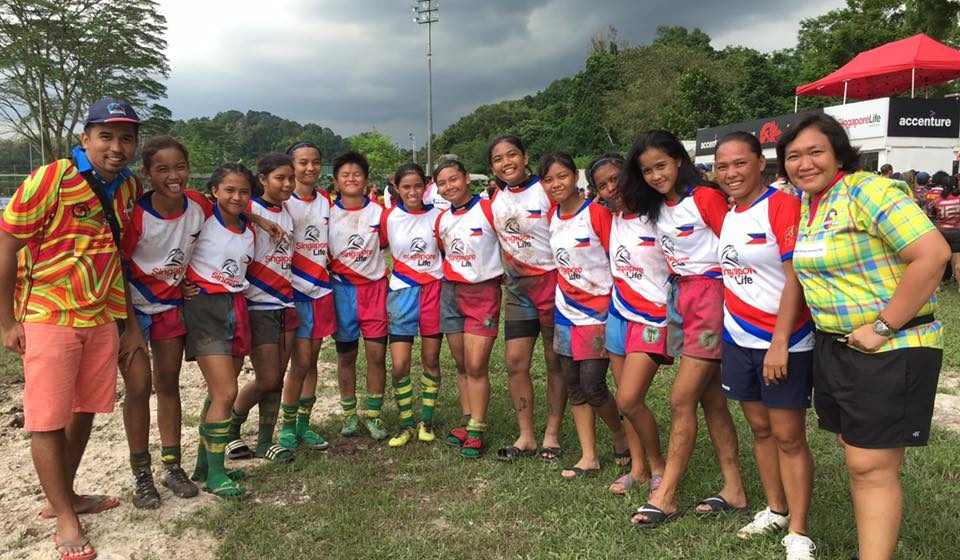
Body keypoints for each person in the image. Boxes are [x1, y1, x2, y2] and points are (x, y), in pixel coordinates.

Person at [777, 113, 949, 560]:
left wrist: (882, 325)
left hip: (891, 345)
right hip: (836, 347)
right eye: (793, 156)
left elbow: (932, 254)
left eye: (816, 151)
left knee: (869, 464)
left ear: (839, 153)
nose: (805, 163)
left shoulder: (868, 191)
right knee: (857, 453)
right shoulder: (807, 204)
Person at [0, 97, 144, 560]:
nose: (116, 146)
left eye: (126, 138)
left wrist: (125, 324)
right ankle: (65, 516)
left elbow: (115, 256)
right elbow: (5, 245)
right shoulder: (52, 178)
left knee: (84, 409)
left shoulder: (127, 188)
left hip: (100, 317)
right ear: (85, 139)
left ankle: (65, 494)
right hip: (49, 315)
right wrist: (6, 321)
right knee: (46, 417)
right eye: (106, 136)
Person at [621, 130, 747, 528]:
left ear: (678, 160)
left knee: (680, 399)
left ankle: (667, 494)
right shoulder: (658, 206)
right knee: (711, 400)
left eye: (661, 165)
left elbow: (737, 244)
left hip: (712, 298)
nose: (656, 175)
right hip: (682, 301)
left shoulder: (705, 198)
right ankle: (734, 489)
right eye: (647, 170)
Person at [715, 132, 817, 559]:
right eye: (723, 166)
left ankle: (798, 531)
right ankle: (775, 508)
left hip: (785, 341)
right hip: (737, 339)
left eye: (740, 163)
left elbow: (795, 276)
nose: (731, 173)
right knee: (759, 429)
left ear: (761, 163)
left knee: (788, 435)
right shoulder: (728, 213)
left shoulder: (782, 205)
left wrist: (779, 342)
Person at [121, 135, 205, 508]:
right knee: (138, 388)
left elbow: (230, 210)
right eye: (163, 169)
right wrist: (131, 325)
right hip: (133, 309)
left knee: (168, 383)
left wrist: (260, 221)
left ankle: (172, 466)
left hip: (171, 306)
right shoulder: (136, 214)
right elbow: (118, 268)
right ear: (147, 173)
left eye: (180, 167)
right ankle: (141, 473)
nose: (174, 175)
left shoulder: (198, 205)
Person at [540, 152, 626, 479]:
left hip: (598, 313)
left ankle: (619, 432)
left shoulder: (598, 214)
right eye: (548, 179)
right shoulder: (551, 216)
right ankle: (588, 455)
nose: (555, 184)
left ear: (574, 177)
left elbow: (617, 258)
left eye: (561, 176)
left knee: (594, 385)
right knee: (573, 384)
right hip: (565, 312)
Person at [589, 153, 669, 497]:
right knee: (625, 402)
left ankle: (659, 467)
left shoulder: (661, 214)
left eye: (615, 179)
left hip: (654, 316)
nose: (611, 189)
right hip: (618, 313)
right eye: (602, 185)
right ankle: (637, 469)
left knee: (630, 399)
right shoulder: (609, 217)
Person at [487, 134, 567, 462]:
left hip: (553, 286)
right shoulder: (494, 199)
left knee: (554, 364)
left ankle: (552, 434)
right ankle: (526, 436)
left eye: (512, 155)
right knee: (515, 363)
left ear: (525, 156)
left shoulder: (546, 191)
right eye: (498, 159)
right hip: (518, 292)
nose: (507, 163)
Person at [182, 163, 258, 499]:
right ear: (214, 190)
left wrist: (261, 219)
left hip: (237, 307)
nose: (236, 197)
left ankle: (204, 463)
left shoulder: (249, 230)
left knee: (218, 392)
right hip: (205, 308)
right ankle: (214, 473)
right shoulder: (199, 217)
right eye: (229, 189)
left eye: (243, 191)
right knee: (227, 392)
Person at [225, 154, 299, 464]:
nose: (287, 184)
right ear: (263, 179)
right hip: (258, 303)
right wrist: (256, 218)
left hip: (287, 302)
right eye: (279, 178)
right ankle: (230, 427)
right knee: (267, 378)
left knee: (278, 377)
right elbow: (220, 212)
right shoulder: (248, 208)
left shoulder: (288, 212)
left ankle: (266, 440)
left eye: (290, 178)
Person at [433, 159, 503, 458]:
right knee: (461, 364)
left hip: (483, 293)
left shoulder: (488, 209)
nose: (449, 187)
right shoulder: (442, 220)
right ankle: (467, 419)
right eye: (442, 183)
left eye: (454, 179)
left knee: (476, 365)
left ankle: (477, 427)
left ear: (466, 178)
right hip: (451, 293)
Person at [380, 163, 444, 447]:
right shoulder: (388, 217)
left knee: (430, 359)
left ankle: (426, 420)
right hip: (401, 292)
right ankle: (406, 423)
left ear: (426, 185)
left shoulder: (439, 216)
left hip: (434, 290)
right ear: (396, 187)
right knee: (400, 364)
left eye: (418, 185)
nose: (412, 192)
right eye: (406, 187)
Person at [328, 151, 390, 439]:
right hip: (342, 291)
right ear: (336, 182)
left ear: (366, 180)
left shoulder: (381, 213)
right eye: (345, 175)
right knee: (346, 356)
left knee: (376, 355)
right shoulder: (327, 214)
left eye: (357, 174)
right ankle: (350, 415)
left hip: (374, 290)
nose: (351, 179)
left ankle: (374, 416)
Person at [278, 141, 334, 451]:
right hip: (292, 291)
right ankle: (286, 427)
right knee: (297, 363)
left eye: (315, 162)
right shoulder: (282, 202)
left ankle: (303, 424)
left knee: (311, 361)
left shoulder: (327, 200)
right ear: (291, 165)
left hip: (321, 290)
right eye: (303, 162)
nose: (310, 168)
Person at [932, 175, 960, 290]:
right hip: (957, 232)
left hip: (941, 232)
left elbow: (933, 215)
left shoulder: (937, 200)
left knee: (940, 261)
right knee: (957, 262)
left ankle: (936, 286)